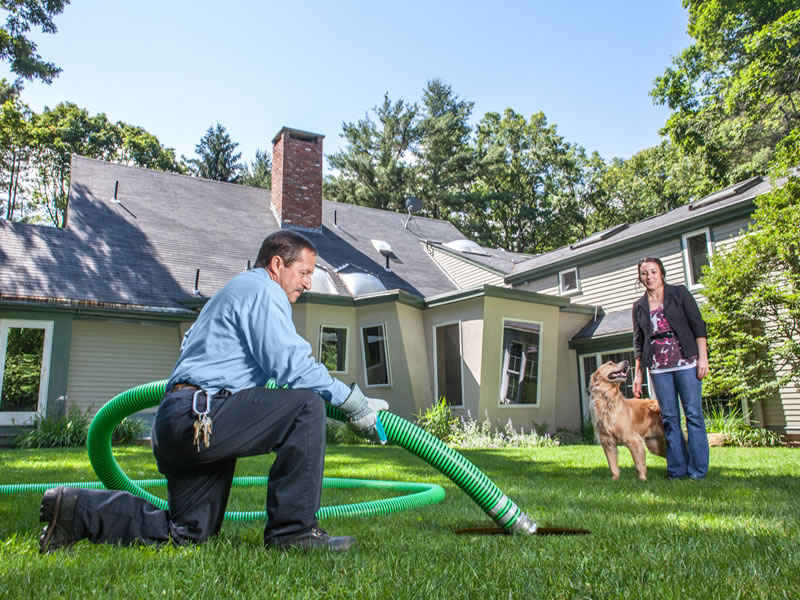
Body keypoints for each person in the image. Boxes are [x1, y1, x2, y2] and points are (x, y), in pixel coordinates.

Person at [38, 230, 388, 553]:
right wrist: (353, 402)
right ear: (277, 264)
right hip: (201, 415)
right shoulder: (263, 290)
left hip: (181, 420)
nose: (309, 283)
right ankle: (293, 532)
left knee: (188, 533)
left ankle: (73, 509)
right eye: (304, 272)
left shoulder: (232, 294)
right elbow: (292, 367)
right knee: (307, 407)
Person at [632, 257, 710, 480]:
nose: (649, 277)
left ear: (662, 274)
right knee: (669, 419)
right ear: (640, 277)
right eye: (644, 273)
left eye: (653, 272)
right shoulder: (639, 306)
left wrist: (702, 358)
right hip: (658, 368)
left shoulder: (680, 293)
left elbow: (698, 325)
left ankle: (697, 471)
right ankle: (677, 470)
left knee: (693, 415)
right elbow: (638, 342)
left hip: (686, 362)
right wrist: (638, 375)